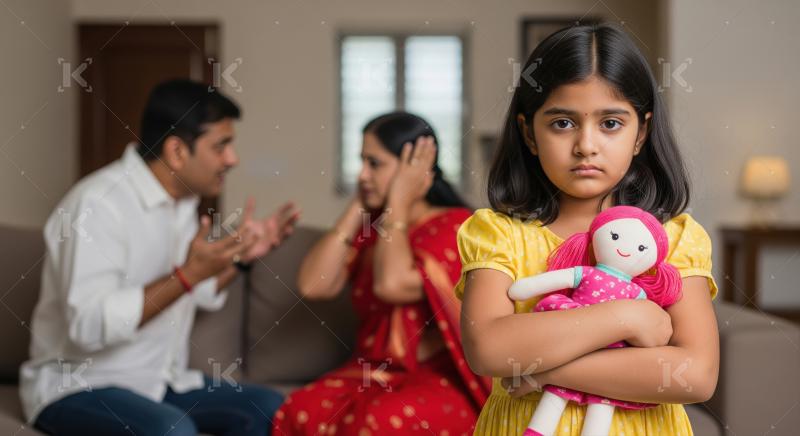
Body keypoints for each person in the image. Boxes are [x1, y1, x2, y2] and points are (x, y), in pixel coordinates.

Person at [456, 24, 720, 435]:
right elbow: (489, 349)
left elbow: (695, 375)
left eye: (610, 123)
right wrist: (625, 316)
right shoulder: (497, 233)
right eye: (562, 123)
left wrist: (543, 372)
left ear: (641, 133)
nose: (586, 145)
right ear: (529, 133)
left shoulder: (674, 238)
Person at [20, 79, 300, 435]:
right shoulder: (96, 205)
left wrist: (241, 259)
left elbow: (193, 290)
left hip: (158, 381)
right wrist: (187, 275)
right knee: (173, 430)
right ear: (177, 151)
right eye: (221, 146)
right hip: (78, 385)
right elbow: (87, 325)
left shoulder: (182, 203)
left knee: (269, 407)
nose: (233, 159)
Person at [273, 112, 491, 435]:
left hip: (436, 377)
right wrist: (359, 204)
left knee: (377, 422)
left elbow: (393, 285)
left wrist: (398, 201)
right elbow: (314, 285)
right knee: (299, 408)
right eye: (361, 162)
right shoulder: (374, 227)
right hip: (371, 373)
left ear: (411, 169)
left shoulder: (457, 226)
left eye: (374, 164)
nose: (362, 174)